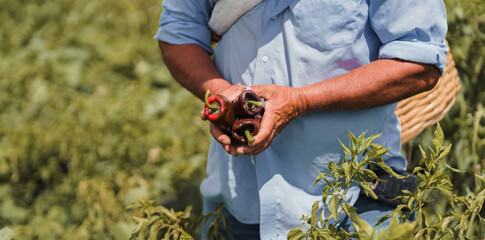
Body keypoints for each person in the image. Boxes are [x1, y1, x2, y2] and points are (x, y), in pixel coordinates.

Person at [155, 0, 448, 239]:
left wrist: (301, 102)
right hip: (238, 203)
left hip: (354, 202)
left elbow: (419, 63)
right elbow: (179, 32)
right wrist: (219, 92)